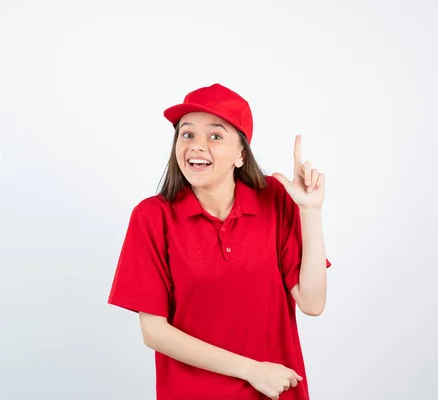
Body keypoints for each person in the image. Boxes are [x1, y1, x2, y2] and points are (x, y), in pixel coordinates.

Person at [107, 83, 332, 400]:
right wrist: (251, 370)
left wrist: (310, 211)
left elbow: (312, 302)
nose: (197, 146)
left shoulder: (275, 199)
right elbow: (154, 332)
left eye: (215, 135)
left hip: (276, 392)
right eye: (187, 134)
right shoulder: (152, 217)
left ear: (241, 154)